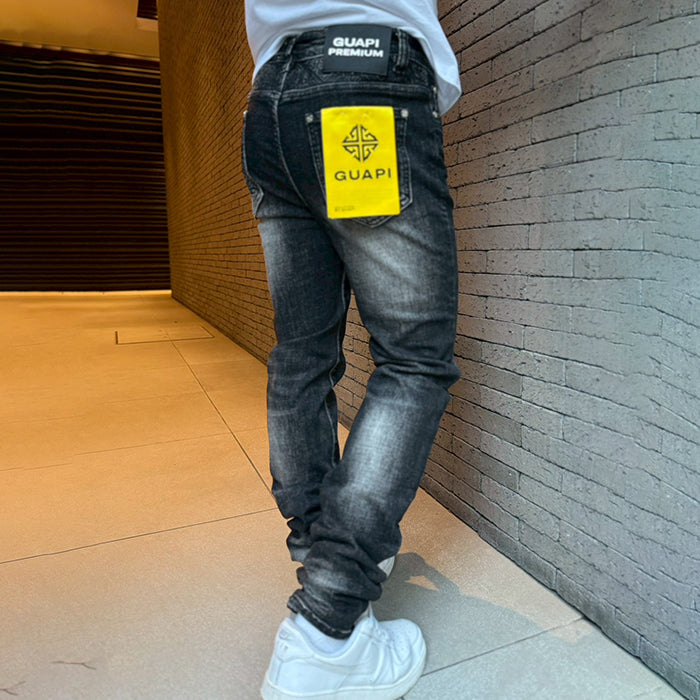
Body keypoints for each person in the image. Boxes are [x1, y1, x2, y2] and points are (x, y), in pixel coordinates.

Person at [242, 2, 462, 698]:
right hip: (363, 82)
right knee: (413, 359)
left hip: (270, 102)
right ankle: (328, 627)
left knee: (302, 354)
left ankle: (324, 553)